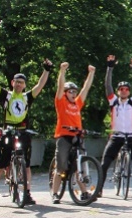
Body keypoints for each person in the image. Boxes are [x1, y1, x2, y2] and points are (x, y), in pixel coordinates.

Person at [0, 55, 51, 206]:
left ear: (24, 85)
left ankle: (27, 193)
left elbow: (40, 85)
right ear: (12, 83)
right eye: (16, 82)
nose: (18, 84)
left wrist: (46, 70)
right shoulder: (6, 95)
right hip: (8, 132)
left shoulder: (27, 97)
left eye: (21, 82)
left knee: (26, 165)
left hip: (23, 132)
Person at [100, 55, 132, 198]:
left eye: (126, 89)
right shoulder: (113, 101)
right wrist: (110, 67)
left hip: (130, 137)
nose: (124, 90)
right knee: (105, 163)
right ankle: (99, 189)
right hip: (116, 137)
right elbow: (107, 85)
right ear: (118, 91)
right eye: (121, 89)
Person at [51, 62, 96, 204]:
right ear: (65, 93)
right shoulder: (60, 102)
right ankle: (55, 193)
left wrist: (91, 73)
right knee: (61, 166)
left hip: (77, 137)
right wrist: (62, 71)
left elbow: (86, 88)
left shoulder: (77, 103)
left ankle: (84, 192)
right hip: (64, 137)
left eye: (74, 91)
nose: (73, 93)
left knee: (79, 165)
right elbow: (59, 87)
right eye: (70, 91)